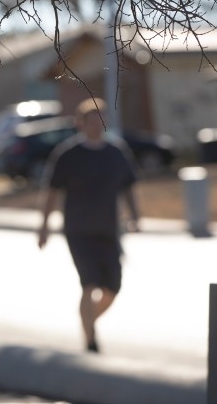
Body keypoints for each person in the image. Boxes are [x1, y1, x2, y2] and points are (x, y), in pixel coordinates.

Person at [37, 97, 140, 353]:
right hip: (78, 231)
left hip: (109, 230)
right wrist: (44, 225)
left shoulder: (116, 153)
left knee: (112, 289)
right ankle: (91, 341)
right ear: (80, 123)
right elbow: (51, 192)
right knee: (89, 283)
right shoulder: (68, 155)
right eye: (91, 119)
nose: (96, 124)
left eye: (100, 119)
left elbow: (129, 187)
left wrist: (136, 215)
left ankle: (87, 320)